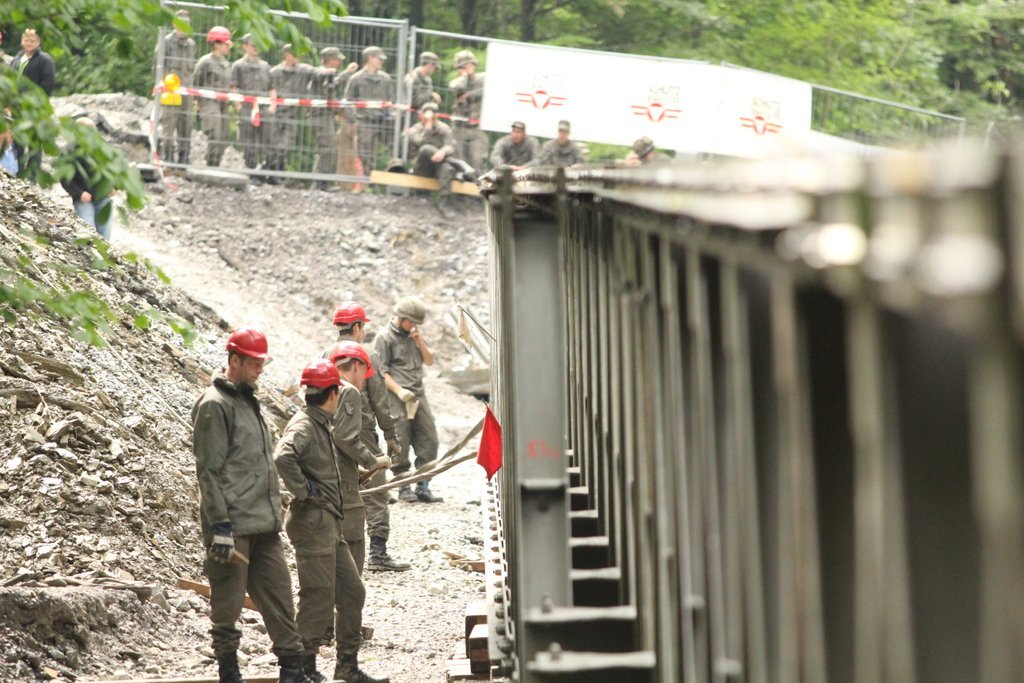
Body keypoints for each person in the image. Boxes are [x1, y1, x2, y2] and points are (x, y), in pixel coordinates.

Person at [191, 328, 310, 683]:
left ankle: (292, 671)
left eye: (262, 364)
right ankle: (229, 672)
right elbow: (208, 472)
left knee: (280, 597)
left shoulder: (248, 401)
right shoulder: (214, 404)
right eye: (254, 364)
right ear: (234, 360)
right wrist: (219, 526)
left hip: (264, 523)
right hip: (233, 526)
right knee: (227, 604)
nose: (260, 371)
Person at [326, 341, 393, 683]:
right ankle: (345, 659)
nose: (363, 380)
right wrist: (373, 460)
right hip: (345, 493)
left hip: (326, 489)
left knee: (326, 566)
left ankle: (321, 637)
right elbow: (346, 438)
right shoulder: (348, 391)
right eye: (364, 373)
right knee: (352, 572)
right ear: (355, 365)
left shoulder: (320, 390)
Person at [328, 302, 410, 572]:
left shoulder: (326, 354)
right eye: (363, 326)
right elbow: (380, 400)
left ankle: (340, 551)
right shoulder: (367, 355)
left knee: (341, 489)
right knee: (376, 491)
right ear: (357, 327)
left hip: (332, 432)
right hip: (362, 433)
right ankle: (377, 552)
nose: (363, 331)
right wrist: (391, 436)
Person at [374, 297, 443, 504]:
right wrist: (399, 390)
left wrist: (419, 340)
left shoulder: (414, 335)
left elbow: (429, 360)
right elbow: (381, 371)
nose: (413, 325)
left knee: (429, 439)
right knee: (400, 439)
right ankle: (403, 485)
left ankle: (423, 484)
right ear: (401, 317)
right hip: (397, 396)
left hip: (418, 395)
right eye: (411, 322)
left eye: (416, 323)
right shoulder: (384, 338)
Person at [11, 29, 56, 180]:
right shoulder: (17, 58)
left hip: (35, 109)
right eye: (26, 40)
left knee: (34, 144)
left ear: (38, 42)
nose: (29, 43)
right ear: (22, 41)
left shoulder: (45, 60)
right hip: (16, 107)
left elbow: (47, 85)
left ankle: (32, 178)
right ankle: (17, 174)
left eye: (32, 41)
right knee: (17, 142)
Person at [60, 118, 114, 240]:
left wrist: (113, 186)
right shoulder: (69, 151)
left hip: (103, 198)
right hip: (83, 199)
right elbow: (64, 179)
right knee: (88, 232)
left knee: (105, 235)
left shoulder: (103, 148)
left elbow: (113, 169)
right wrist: (79, 193)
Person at [405, 102, 460, 219]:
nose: (430, 118)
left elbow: (450, 146)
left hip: (438, 166)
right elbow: (422, 144)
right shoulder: (415, 129)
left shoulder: (444, 128)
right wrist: (428, 127)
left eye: (432, 116)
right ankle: (422, 194)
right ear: (421, 116)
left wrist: (443, 152)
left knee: (447, 168)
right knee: (426, 149)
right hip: (421, 166)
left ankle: (445, 202)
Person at [309, 47, 355, 189]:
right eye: (337, 59)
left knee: (326, 148)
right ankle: (322, 182)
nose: (339, 62)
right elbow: (326, 85)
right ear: (329, 59)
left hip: (325, 116)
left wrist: (346, 73)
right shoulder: (321, 73)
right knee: (327, 148)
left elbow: (332, 85)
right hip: (319, 116)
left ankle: (320, 181)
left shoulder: (328, 75)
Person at [344, 46, 393, 175]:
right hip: (364, 121)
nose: (382, 61)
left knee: (395, 146)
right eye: (379, 59)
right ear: (370, 58)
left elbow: (390, 101)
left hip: (383, 120)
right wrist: (352, 121)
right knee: (365, 152)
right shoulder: (356, 78)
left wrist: (391, 116)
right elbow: (348, 101)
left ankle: (392, 174)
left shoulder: (386, 79)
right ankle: (369, 178)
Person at [156, 10, 196, 165]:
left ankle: (184, 157)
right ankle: (167, 156)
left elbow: (191, 70)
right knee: (169, 124)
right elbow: (157, 66)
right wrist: (163, 85)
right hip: (170, 90)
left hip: (186, 90)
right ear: (174, 24)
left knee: (186, 124)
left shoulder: (191, 44)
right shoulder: (166, 41)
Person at [266, 44, 312, 176]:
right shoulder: (274, 72)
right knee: (272, 145)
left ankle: (278, 171)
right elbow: (269, 89)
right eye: (295, 53)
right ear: (287, 54)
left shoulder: (303, 70)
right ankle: (271, 171)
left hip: (292, 115)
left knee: (286, 146)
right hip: (275, 114)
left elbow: (318, 72)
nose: (299, 56)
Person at [193, 27, 233, 167]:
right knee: (215, 133)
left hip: (224, 104)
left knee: (224, 136)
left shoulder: (226, 64)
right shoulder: (205, 62)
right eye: (226, 44)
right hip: (208, 102)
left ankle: (215, 163)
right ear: (216, 44)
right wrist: (196, 102)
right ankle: (211, 165)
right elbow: (196, 81)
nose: (228, 47)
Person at [230, 34, 270, 170]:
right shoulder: (238, 65)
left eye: (257, 46)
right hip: (246, 108)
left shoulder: (265, 66)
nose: (255, 48)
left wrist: (271, 107)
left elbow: (271, 87)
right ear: (245, 47)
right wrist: (238, 107)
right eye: (253, 46)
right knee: (248, 141)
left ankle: (264, 169)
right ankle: (251, 169)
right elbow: (233, 87)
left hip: (263, 108)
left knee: (266, 139)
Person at [448, 50, 487, 175]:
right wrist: (464, 76)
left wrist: (469, 95)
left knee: (477, 160)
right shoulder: (458, 82)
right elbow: (455, 87)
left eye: (469, 65)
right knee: (460, 162)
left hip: (476, 128)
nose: (467, 68)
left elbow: (489, 89)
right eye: (463, 67)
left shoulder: (482, 78)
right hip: (459, 127)